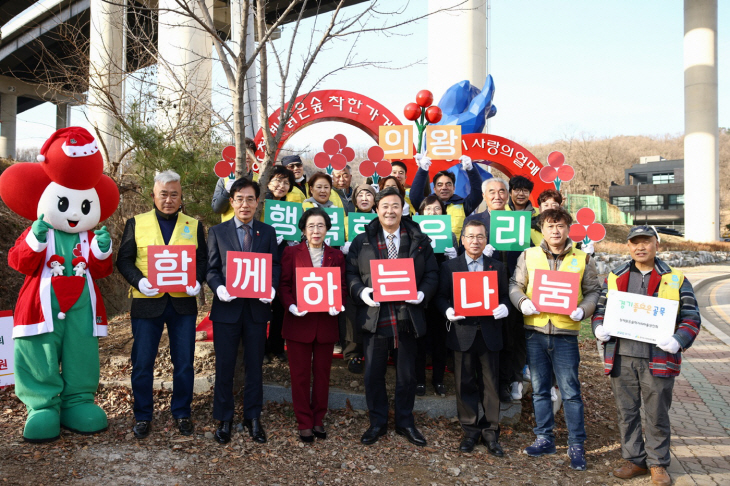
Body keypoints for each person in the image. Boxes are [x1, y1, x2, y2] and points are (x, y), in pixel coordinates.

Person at [592, 226, 701, 486]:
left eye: (646, 242)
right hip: (622, 356)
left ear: (656, 245)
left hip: (659, 357)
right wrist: (598, 327)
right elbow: (600, 310)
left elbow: (691, 317)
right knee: (626, 412)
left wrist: (678, 340)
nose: (640, 247)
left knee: (657, 413)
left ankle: (658, 464)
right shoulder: (615, 277)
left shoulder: (675, 278)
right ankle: (634, 459)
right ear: (628, 247)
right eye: (635, 243)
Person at [117, 170, 208, 439]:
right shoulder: (136, 223)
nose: (169, 199)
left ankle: (182, 411)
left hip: (182, 304)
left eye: (174, 194)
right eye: (163, 194)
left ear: (181, 196)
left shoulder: (193, 224)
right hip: (147, 303)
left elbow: (201, 259)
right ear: (154, 195)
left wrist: (198, 280)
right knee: (143, 362)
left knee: (184, 363)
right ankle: (143, 415)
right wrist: (139, 281)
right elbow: (123, 260)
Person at [346, 187, 439, 447]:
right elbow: (350, 273)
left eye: (395, 206)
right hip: (376, 317)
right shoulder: (362, 240)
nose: (390, 211)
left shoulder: (420, 240)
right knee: (373, 374)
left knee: (407, 375)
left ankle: (405, 421)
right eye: (385, 206)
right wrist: (362, 292)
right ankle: (377, 422)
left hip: (407, 316)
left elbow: (432, 274)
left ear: (403, 209)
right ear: (377, 209)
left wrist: (422, 294)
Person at [509, 207, 600, 471]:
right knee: (539, 389)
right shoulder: (529, 255)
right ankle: (544, 437)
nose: (555, 231)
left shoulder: (582, 258)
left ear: (568, 228)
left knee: (571, 392)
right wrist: (522, 301)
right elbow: (515, 285)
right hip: (535, 331)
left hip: (565, 334)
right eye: (550, 226)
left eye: (560, 225)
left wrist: (584, 309)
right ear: (542, 229)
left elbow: (594, 291)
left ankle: (576, 444)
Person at [206, 177, 280, 445]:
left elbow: (275, 265)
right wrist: (218, 288)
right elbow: (211, 269)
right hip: (227, 309)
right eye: (240, 199)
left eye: (250, 198)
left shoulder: (267, 232)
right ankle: (224, 418)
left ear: (257, 201)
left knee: (255, 366)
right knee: (225, 365)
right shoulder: (217, 232)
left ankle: (253, 417)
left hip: (256, 311)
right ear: (232, 201)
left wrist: (271, 288)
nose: (245, 204)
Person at [434, 220, 509, 456]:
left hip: (489, 332)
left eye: (480, 237)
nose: (475, 241)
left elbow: (506, 296)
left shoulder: (497, 267)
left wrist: (505, 307)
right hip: (462, 332)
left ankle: (490, 432)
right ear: (462, 240)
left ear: (486, 240)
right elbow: (441, 296)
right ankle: (469, 430)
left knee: (491, 384)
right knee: (463, 381)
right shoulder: (450, 267)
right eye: (470, 237)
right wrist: (447, 310)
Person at [278, 208, 347, 442]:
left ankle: (318, 419)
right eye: (311, 226)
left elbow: (343, 287)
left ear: (327, 229)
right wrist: (291, 306)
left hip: (326, 324)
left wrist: (338, 304)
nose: (316, 231)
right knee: (299, 375)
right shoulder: (291, 253)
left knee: (322, 375)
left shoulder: (336, 256)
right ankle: (304, 421)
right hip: (299, 323)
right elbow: (284, 285)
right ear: (303, 230)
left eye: (320, 226)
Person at [462, 178, 527, 403]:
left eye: (502, 191)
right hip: (480, 286)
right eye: (492, 192)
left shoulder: (518, 220)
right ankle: (480, 385)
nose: (497, 196)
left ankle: (505, 382)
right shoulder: (474, 220)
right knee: (484, 337)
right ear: (484, 195)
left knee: (509, 337)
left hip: (511, 285)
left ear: (508, 195)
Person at [414, 195, 457, 397]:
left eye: (437, 208)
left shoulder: (451, 236)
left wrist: (454, 257)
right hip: (420, 291)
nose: (432, 212)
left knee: (441, 338)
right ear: (421, 212)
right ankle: (420, 380)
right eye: (428, 209)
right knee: (419, 338)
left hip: (443, 293)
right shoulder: (414, 234)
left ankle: (438, 379)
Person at [262, 165, 299, 363]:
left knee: (280, 306)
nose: (281, 185)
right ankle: (260, 349)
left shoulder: (292, 208)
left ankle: (277, 345)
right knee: (260, 306)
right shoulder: (260, 202)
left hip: (283, 262)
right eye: (277, 180)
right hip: (261, 261)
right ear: (268, 181)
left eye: (286, 182)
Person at [409, 154, 483, 237]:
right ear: (434, 189)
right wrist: (422, 170)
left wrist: (471, 169)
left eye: (448, 184)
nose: (444, 188)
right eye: (440, 185)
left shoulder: (464, 205)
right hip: (429, 249)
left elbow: (478, 193)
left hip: (456, 249)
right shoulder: (426, 204)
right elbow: (415, 196)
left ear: (454, 188)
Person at [211, 138, 258, 222]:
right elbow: (217, 209)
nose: (247, 156)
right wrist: (226, 192)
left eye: (250, 152)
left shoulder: (260, 179)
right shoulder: (224, 179)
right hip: (229, 230)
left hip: (254, 229)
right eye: (244, 152)